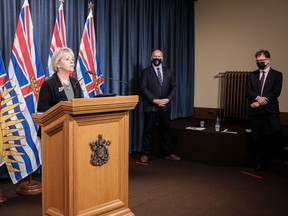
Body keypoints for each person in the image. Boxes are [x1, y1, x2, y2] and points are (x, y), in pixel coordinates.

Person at [139, 49, 181, 163]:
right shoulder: (145, 72)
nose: (157, 58)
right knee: (148, 130)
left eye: (159, 56)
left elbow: (173, 87)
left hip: (165, 106)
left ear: (162, 58)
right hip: (151, 106)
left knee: (166, 130)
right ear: (151, 58)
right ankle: (145, 154)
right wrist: (154, 100)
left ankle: (168, 153)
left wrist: (168, 99)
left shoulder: (169, 71)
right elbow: (143, 88)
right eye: (155, 56)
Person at [246, 49, 283, 171]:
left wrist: (262, 101)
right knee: (256, 138)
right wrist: (257, 98)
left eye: (261, 60)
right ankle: (259, 163)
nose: (259, 62)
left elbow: (276, 92)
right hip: (256, 111)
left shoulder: (277, 75)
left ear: (268, 60)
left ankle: (281, 159)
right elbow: (248, 91)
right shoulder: (252, 75)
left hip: (271, 110)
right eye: (257, 61)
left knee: (277, 131)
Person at [37, 47, 83, 113]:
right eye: (67, 59)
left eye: (72, 59)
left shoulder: (75, 82)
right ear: (58, 64)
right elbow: (41, 108)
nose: (72, 62)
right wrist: (62, 108)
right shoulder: (48, 84)